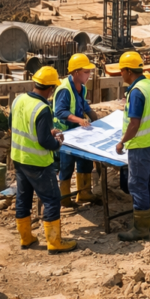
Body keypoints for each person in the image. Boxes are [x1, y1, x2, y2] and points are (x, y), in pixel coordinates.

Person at [10, 66, 77, 254]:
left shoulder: (18, 100)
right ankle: (54, 242)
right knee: (52, 199)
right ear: (51, 89)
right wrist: (57, 143)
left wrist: (45, 133)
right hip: (38, 162)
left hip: (19, 158)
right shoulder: (43, 109)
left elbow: (14, 126)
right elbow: (44, 141)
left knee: (23, 197)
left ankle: (26, 238)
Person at [115, 51, 150, 241]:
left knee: (137, 184)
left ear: (128, 71)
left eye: (122, 71)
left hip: (141, 145)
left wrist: (122, 142)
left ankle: (141, 229)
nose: (121, 74)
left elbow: (134, 124)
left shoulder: (136, 92)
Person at [53, 53, 101, 208]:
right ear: (75, 73)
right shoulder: (65, 90)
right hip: (66, 135)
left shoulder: (83, 89)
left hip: (80, 133)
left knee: (85, 161)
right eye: (86, 72)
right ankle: (65, 198)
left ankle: (84, 193)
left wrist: (99, 122)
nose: (89, 75)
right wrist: (80, 120)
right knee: (66, 166)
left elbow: (85, 107)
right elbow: (60, 112)